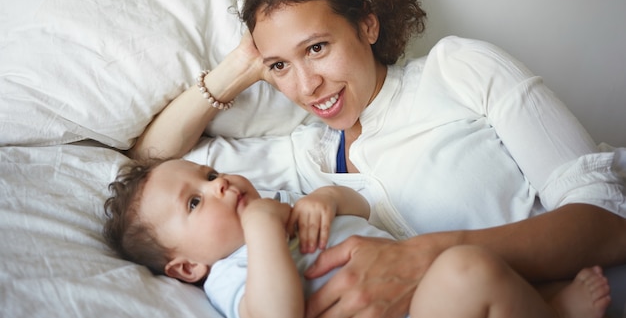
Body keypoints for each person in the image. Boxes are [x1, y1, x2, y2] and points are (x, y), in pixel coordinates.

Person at [129, 0, 626, 318]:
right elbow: (152, 159)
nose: (306, 86)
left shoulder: (457, 70)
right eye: (280, 66)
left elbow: (610, 219)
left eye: (317, 48)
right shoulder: (305, 158)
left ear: (367, 24)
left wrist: (425, 256)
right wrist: (242, 65)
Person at [103, 158, 611, 318]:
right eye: (194, 203)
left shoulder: (280, 199)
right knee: (468, 269)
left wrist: (326, 197)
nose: (217, 185)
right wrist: (261, 228)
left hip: (421, 294)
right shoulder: (233, 273)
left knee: (470, 267)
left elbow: (361, 206)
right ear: (187, 268)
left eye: (210, 172)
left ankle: (543, 306)